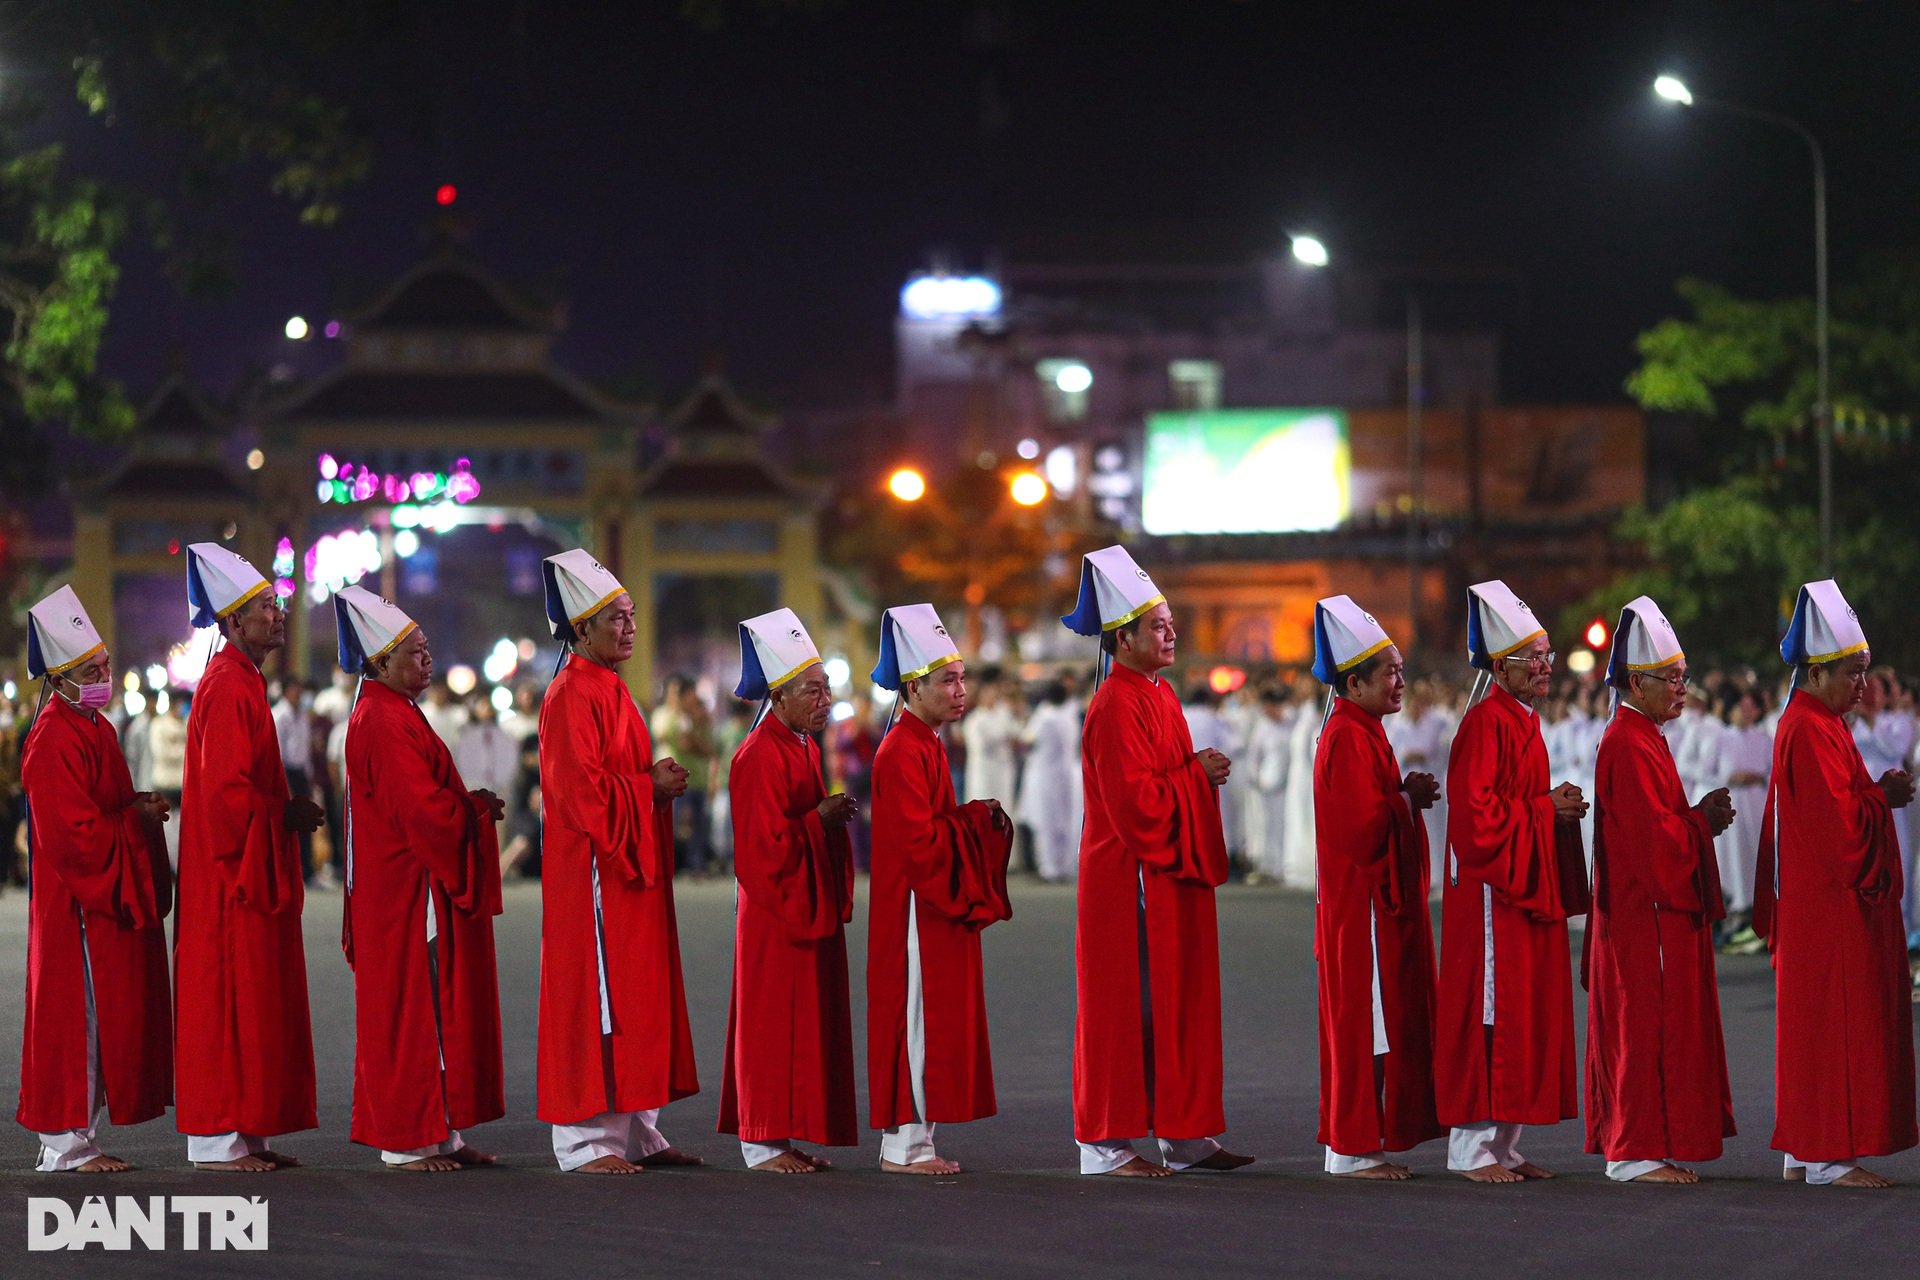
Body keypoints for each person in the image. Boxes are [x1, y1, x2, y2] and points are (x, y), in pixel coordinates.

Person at [1061, 546, 1253, 1177]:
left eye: (1171, 624)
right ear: (1123, 636)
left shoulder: (1158, 694)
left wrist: (1197, 775)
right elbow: (1137, 805)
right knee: (1126, 1007)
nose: (1171, 634)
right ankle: (1105, 1144)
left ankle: (1185, 1131)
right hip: (1130, 878)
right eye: (1159, 626)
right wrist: (1194, 776)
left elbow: (1164, 780)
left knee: (1178, 1002)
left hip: (1166, 873)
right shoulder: (1114, 703)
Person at [536, 550, 701, 1174]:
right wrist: (645, 789)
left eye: (632, 616)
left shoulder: (610, 688)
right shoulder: (570, 693)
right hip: (596, 871)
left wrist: (649, 784)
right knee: (600, 996)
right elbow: (578, 794)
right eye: (616, 618)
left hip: (628, 864)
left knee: (634, 994)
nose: (630, 627)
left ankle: (634, 1131)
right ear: (581, 628)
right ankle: (584, 1141)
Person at [336, 586, 505, 1171]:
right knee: (416, 1008)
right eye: (414, 651)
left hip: (411, 887)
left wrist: (467, 805)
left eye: (428, 648)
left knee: (434, 1007)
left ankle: (439, 1132)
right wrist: (473, 812)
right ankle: (406, 1139)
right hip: (405, 891)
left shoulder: (398, 711)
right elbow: (422, 812)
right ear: (380, 661)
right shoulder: (382, 719)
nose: (427, 660)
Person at [1755, 579, 1917, 1188]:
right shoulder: (1809, 728)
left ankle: (1806, 1147)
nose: (1862, 685)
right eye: (1852, 672)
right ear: (1817, 671)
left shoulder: (1818, 722)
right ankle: (1827, 1155)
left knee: (1817, 1025)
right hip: (1827, 908)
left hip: (1819, 905)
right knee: (1832, 1024)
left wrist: (1874, 795)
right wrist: (1885, 797)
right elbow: (1841, 830)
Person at [174, 544, 321, 1171]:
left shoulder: (243, 680)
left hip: (244, 867)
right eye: (266, 606)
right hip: (230, 876)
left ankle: (248, 1130)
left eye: (279, 602)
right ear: (233, 621)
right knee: (229, 997)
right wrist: (280, 814)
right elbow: (227, 796)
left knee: (255, 1000)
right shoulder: (230, 685)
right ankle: (217, 1137)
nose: (279, 614)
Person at [17, 586, 173, 1172]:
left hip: (95, 897)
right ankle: (63, 1144)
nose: (104, 676)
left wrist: (136, 807)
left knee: (100, 1018)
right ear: (58, 678)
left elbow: (104, 807)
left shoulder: (96, 728)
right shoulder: (52, 736)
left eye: (105, 666)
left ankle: (79, 1137)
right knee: (74, 1018)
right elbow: (73, 837)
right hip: (73, 905)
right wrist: (129, 821)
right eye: (91, 670)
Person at [1435, 580, 1585, 1183]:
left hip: (1524, 885)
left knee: (1524, 1011)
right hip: (1496, 894)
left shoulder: (1521, 719)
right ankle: (1469, 1148)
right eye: (1536, 660)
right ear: (1503, 666)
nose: (1547, 669)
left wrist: (1553, 808)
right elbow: (1476, 823)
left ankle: (1503, 1144)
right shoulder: (1486, 723)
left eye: (1549, 657)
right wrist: (1547, 809)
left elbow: (1519, 804)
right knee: (1492, 1011)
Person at [1584, 596, 1736, 1184]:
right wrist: (1699, 822)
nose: (1682, 688)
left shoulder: (1644, 734)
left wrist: (1696, 820)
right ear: (1637, 681)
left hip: (1647, 912)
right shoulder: (1627, 741)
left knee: (1650, 1025)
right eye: (1671, 678)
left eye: (1683, 677)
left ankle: (1647, 1144)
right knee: (1641, 1024)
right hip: (1641, 916)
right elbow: (1655, 844)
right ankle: (1634, 1150)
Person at [867, 604, 1014, 1174]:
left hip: (924, 906)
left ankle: (915, 1138)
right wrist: (975, 821)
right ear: (913, 686)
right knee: (916, 1017)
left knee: (928, 1017)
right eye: (948, 681)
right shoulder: (903, 748)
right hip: (913, 910)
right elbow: (920, 844)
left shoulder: (923, 740)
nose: (960, 691)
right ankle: (905, 1145)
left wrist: (973, 819)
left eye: (961, 679)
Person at [719, 607, 858, 1172]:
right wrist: (817, 822)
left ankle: (783, 1133)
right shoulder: (758, 755)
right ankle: (760, 1137)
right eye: (812, 691)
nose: (823, 700)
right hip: (774, 908)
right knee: (770, 1022)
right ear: (777, 696)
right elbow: (759, 852)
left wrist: (823, 821)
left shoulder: (800, 744)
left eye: (826, 689)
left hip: (801, 897)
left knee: (801, 1022)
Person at [1310, 595, 1443, 1179]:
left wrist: (1403, 799)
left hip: (1368, 903)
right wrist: (1406, 801)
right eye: (1389, 672)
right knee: (1366, 1023)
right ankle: (1351, 1145)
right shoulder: (1345, 736)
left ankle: (1364, 1139)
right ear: (1354, 682)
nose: (1400, 682)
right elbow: (1362, 829)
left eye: (1399, 670)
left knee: (1380, 1021)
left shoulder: (1362, 730)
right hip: (1359, 907)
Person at [1712, 686, 1770, 950]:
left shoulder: (1764, 737)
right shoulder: (1721, 737)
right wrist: (1729, 778)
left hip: (1756, 800)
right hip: (1734, 799)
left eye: (1751, 708)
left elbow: (1772, 769)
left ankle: (1757, 914)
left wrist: (1759, 778)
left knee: (1757, 855)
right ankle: (1735, 910)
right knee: (1735, 858)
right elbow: (1704, 769)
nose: (1746, 713)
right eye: (1741, 708)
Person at [1018, 680, 1082, 884]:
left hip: (1045, 775)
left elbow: (1027, 742)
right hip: (1068, 774)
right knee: (1065, 821)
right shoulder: (1071, 716)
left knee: (1046, 822)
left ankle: (1050, 867)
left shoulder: (1044, 718)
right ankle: (1065, 865)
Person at [272, 677, 318, 886]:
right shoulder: (279, 716)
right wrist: (284, 783)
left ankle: (306, 869)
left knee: (306, 820)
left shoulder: (302, 716)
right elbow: (277, 750)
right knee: (288, 823)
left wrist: (309, 776)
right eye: (295, 690)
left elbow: (305, 750)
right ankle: (288, 869)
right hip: (286, 772)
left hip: (301, 773)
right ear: (286, 691)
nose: (299, 694)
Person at [454, 695, 519, 800]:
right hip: (471, 784)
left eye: (489, 706)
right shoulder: (464, 734)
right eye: (483, 706)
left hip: (499, 786)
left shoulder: (503, 734)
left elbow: (509, 758)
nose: (487, 709)